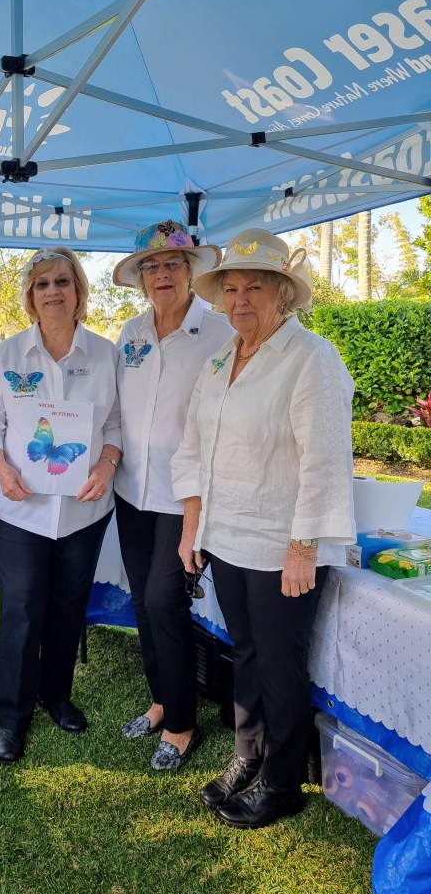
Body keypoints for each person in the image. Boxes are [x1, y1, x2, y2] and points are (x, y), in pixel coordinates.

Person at [171, 228, 355, 829]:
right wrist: (191, 529)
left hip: (282, 544)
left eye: (254, 287)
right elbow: (193, 448)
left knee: (279, 662)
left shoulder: (311, 358)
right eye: (231, 288)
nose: (240, 299)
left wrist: (304, 547)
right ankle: (248, 756)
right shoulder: (221, 359)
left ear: (283, 293)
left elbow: (325, 459)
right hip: (227, 536)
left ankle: (282, 782)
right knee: (245, 652)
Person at [0, 247, 122, 763]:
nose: (53, 291)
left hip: (84, 510)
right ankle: (11, 716)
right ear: (30, 297)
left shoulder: (105, 354)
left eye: (63, 281)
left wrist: (105, 467)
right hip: (19, 508)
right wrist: (1, 469)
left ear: (79, 290)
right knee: (21, 606)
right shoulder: (6, 356)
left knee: (67, 605)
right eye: (42, 284)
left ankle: (56, 696)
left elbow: (115, 425)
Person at [112, 220, 231, 771]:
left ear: (191, 270)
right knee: (143, 600)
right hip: (131, 491)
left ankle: (182, 724)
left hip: (185, 498)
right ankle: (161, 700)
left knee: (165, 601)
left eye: (173, 264)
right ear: (141, 279)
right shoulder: (131, 334)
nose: (162, 274)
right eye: (151, 267)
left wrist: (197, 515)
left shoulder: (220, 333)